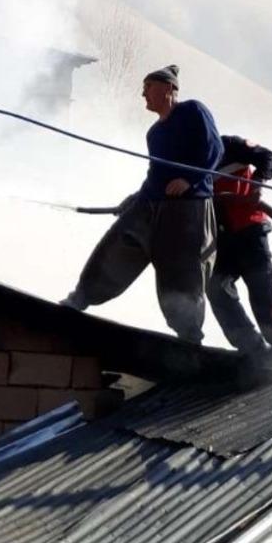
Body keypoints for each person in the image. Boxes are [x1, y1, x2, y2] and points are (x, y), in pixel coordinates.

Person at [63, 65, 221, 344]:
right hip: (152, 204)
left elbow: (214, 150)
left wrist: (191, 180)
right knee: (120, 240)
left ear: (169, 88)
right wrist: (136, 198)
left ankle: (189, 336)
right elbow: (156, 176)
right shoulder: (154, 134)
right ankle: (82, 297)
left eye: (148, 86)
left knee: (180, 270)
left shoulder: (193, 111)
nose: (143, 94)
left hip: (189, 209)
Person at [207, 135, 272, 356]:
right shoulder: (188, 160)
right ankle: (251, 348)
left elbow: (267, 157)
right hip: (220, 239)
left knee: (261, 286)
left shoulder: (230, 146)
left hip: (249, 229)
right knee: (217, 288)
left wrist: (257, 181)